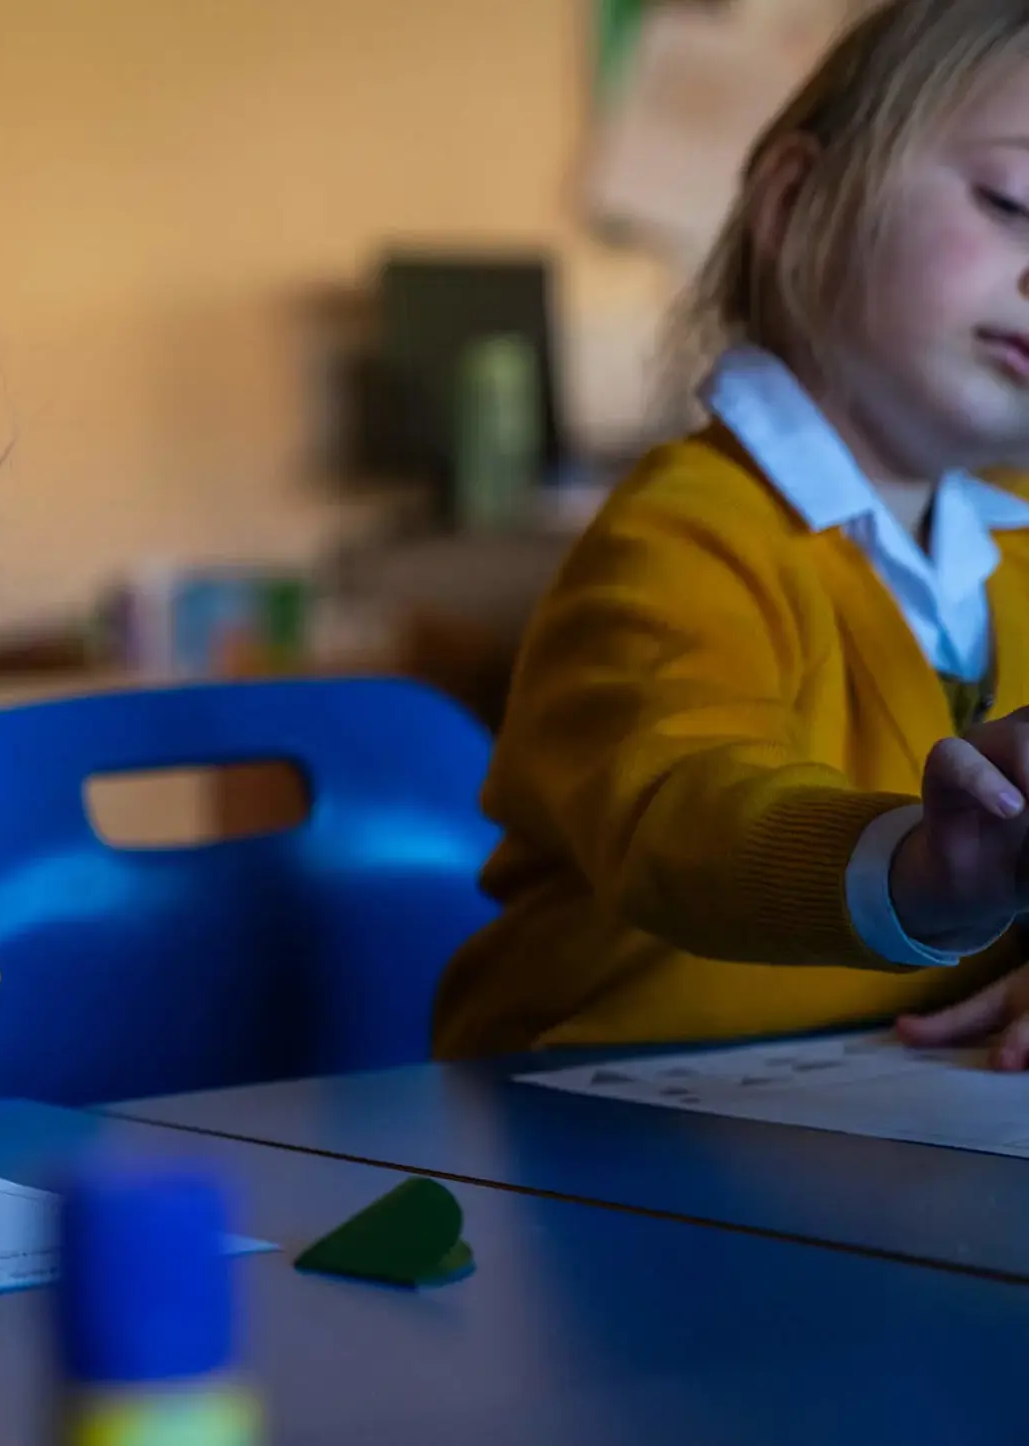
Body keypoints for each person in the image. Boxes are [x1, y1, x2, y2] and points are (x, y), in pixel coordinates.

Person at [434, 0, 1029, 1066]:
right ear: (798, 203)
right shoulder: (685, 536)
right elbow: (677, 805)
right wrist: (917, 865)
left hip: (897, 1126)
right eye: (1010, 202)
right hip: (591, 1122)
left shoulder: (1018, 552)